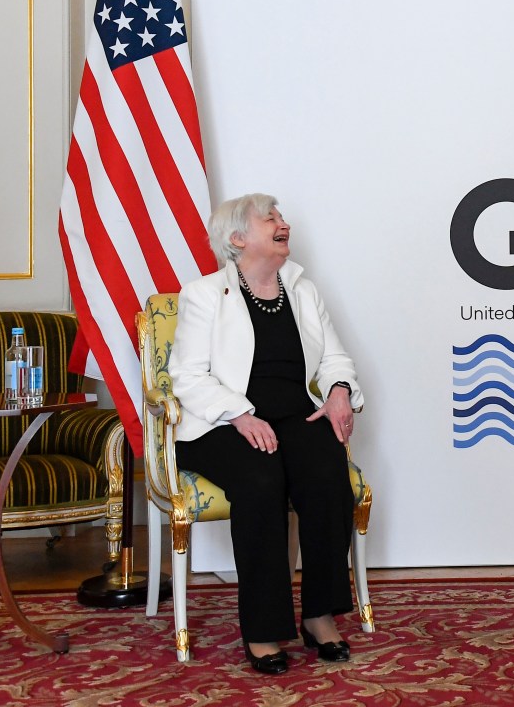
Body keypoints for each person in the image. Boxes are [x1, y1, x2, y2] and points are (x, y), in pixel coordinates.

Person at [170, 193, 363, 674]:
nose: (285, 224)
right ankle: (262, 628)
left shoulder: (302, 289)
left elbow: (336, 358)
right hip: (222, 422)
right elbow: (187, 376)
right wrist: (239, 414)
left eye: (282, 217)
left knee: (325, 474)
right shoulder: (203, 294)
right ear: (238, 239)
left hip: (295, 414)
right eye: (271, 218)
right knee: (260, 480)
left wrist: (339, 391)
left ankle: (320, 615)